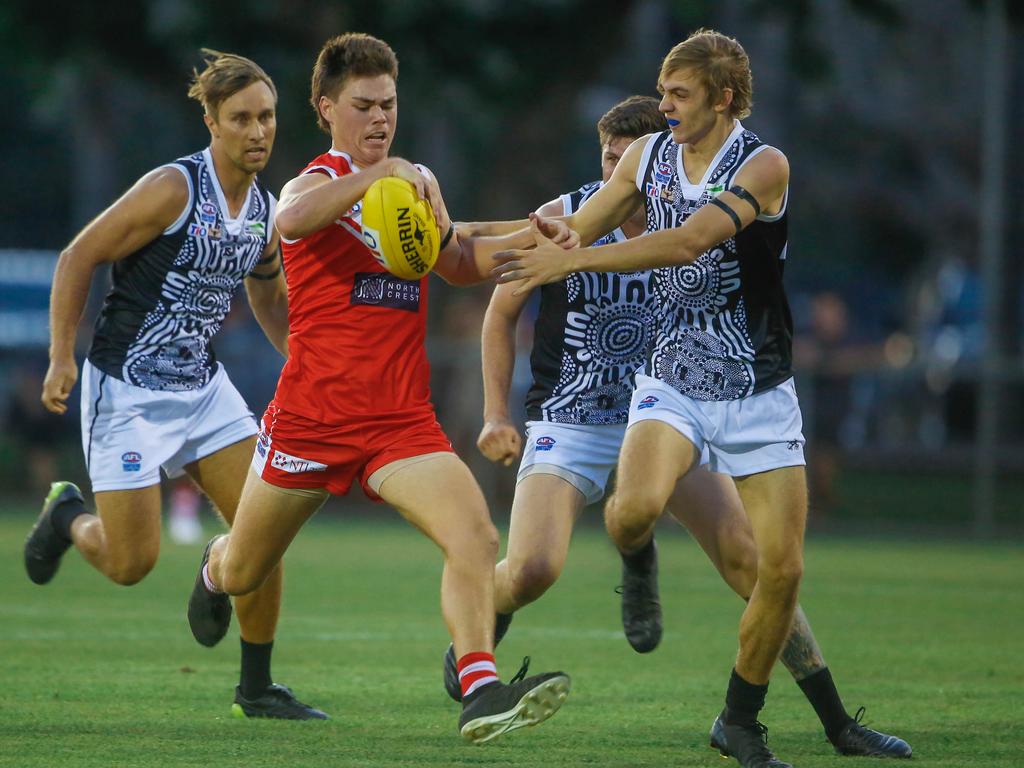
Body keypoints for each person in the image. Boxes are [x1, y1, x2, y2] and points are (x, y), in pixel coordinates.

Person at [449, 94, 911, 762]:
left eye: (625, 162)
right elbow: (496, 302)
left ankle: (836, 718)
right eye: (606, 159)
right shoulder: (568, 217)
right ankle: (478, 642)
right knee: (532, 569)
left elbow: (726, 256)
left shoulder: (699, 218)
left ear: (659, 164)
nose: (614, 174)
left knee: (754, 563)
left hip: (666, 413)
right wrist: (495, 413)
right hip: (572, 417)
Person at [186, 33, 571, 744]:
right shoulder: (311, 182)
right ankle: (212, 568)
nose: (380, 118)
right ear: (326, 108)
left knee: (477, 535)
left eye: (389, 104)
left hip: (400, 422)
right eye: (363, 105)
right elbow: (293, 220)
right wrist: (381, 173)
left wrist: (537, 243)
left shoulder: (417, 179)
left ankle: (480, 689)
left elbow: (455, 258)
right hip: (312, 421)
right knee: (246, 569)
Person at [26, 49, 325, 720]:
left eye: (268, 117)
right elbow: (79, 255)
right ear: (213, 123)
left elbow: (270, 292)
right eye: (241, 118)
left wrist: (301, 361)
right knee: (131, 562)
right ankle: (68, 517)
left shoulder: (264, 210)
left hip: (202, 389)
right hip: (127, 389)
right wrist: (60, 357)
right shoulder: (174, 189)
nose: (258, 131)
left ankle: (256, 687)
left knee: (263, 528)